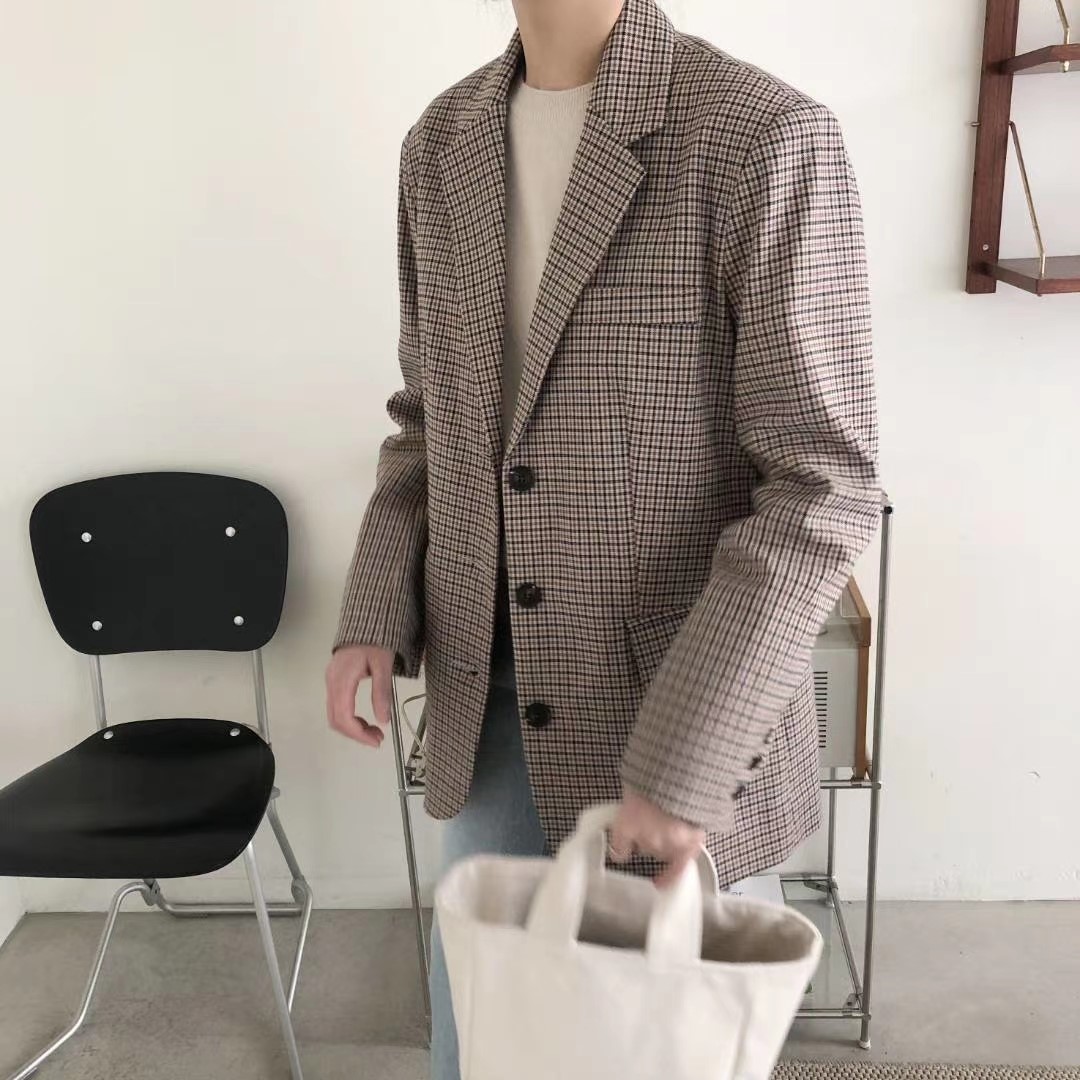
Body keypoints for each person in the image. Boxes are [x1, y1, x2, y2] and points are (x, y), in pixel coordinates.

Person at [326, 0, 880, 1075]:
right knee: (483, 1046)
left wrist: (686, 761)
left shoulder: (761, 133)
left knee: (661, 1049)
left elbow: (822, 487)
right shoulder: (440, 142)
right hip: (487, 703)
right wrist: (375, 607)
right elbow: (428, 416)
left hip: (677, 715)